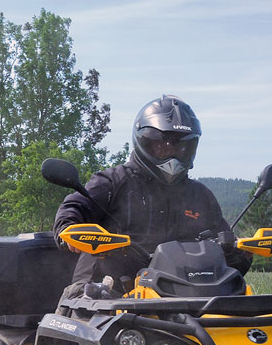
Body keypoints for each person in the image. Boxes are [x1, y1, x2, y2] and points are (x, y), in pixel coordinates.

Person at [54, 95, 251, 296]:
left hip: (179, 294)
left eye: (179, 146)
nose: (171, 153)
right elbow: (75, 207)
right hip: (105, 290)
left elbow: (228, 257)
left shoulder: (200, 196)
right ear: (144, 141)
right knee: (79, 305)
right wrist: (69, 228)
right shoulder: (113, 181)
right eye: (161, 144)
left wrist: (236, 251)